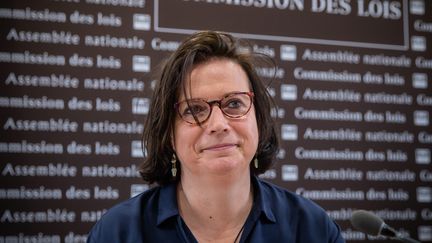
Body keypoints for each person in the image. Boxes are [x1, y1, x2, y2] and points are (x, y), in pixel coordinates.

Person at [87, 30, 345, 243]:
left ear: (259, 119)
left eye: (234, 103)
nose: (218, 124)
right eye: (194, 109)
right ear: (168, 134)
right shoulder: (118, 233)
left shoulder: (312, 229)